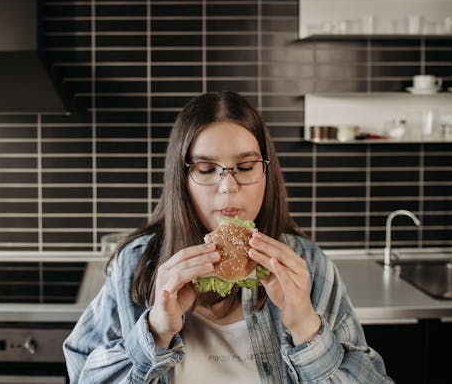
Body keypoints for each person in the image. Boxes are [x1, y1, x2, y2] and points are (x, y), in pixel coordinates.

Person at [63, 91, 391, 383]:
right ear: (183, 179)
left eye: (246, 167)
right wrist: (155, 332)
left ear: (267, 173)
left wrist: (306, 326)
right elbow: (82, 375)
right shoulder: (136, 263)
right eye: (206, 170)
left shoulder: (307, 266)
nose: (228, 187)